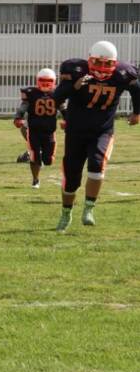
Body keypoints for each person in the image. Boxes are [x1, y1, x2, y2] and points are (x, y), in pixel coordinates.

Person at [53, 40, 140, 232]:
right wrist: (74, 86)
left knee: (97, 164)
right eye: (97, 63)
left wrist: (137, 112)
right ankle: (66, 213)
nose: (101, 68)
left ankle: (89, 209)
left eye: (107, 64)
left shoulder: (123, 73)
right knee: (71, 178)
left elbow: (137, 89)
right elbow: (56, 97)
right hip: (75, 132)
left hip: (102, 130)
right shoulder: (76, 70)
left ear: (115, 64)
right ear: (89, 59)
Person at [13, 68, 62, 189]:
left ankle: (41, 157)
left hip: (49, 131)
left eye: (48, 81)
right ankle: (35, 180)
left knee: (49, 160)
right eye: (43, 81)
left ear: (54, 81)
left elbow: (63, 108)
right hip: (34, 130)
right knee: (35, 157)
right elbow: (23, 106)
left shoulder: (57, 94)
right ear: (37, 81)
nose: (45, 83)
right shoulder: (31, 93)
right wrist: (18, 117)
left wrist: (68, 120)